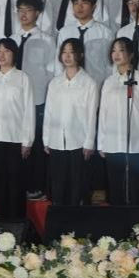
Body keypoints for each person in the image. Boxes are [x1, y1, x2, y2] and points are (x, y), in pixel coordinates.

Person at [0, 38, 35, 220]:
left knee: (15, 185)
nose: (2, 55)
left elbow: (29, 110)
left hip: (16, 139)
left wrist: (27, 140)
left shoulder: (22, 78)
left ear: (14, 54)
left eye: (6, 51)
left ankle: (17, 224)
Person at [97, 38, 139, 205]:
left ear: (131, 54)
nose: (116, 54)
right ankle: (117, 219)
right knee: (115, 187)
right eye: (113, 50)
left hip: (134, 142)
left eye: (121, 50)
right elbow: (103, 113)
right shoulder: (109, 81)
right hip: (112, 142)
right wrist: (101, 142)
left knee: (135, 187)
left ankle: (137, 220)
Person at [43, 38, 99, 207]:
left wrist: (89, 142)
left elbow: (91, 115)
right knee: (58, 186)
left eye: (72, 52)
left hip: (78, 142)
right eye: (64, 52)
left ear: (80, 55)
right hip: (56, 141)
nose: (67, 56)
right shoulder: (55, 83)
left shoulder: (88, 83)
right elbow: (49, 113)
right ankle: (59, 220)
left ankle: (77, 220)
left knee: (77, 186)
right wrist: (46, 139)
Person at [12, 0, 54, 200]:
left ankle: (37, 186)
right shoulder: (11, 40)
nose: (23, 14)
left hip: (38, 98)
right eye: (20, 10)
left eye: (28, 10)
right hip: (14, 101)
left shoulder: (47, 40)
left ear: (37, 13)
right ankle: (18, 185)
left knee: (36, 145)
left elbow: (52, 72)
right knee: (15, 144)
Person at [58, 0, 114, 88]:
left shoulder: (105, 33)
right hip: (70, 85)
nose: (79, 7)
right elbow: (59, 63)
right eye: (76, 3)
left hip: (97, 84)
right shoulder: (65, 32)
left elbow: (110, 64)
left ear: (94, 7)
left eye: (84, 3)